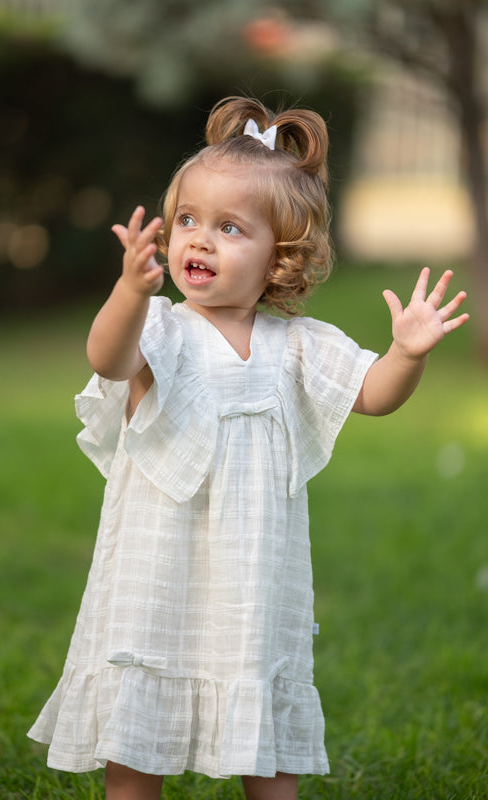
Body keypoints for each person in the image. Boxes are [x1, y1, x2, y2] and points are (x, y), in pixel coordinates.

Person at [28, 96, 469, 800]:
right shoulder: (164, 330)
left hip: (254, 579)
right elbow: (108, 359)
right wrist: (128, 292)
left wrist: (406, 353)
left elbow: (373, 394)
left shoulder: (295, 346)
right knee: (136, 736)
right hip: (157, 570)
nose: (198, 241)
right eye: (186, 223)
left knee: (265, 744)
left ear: (280, 258)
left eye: (229, 228)